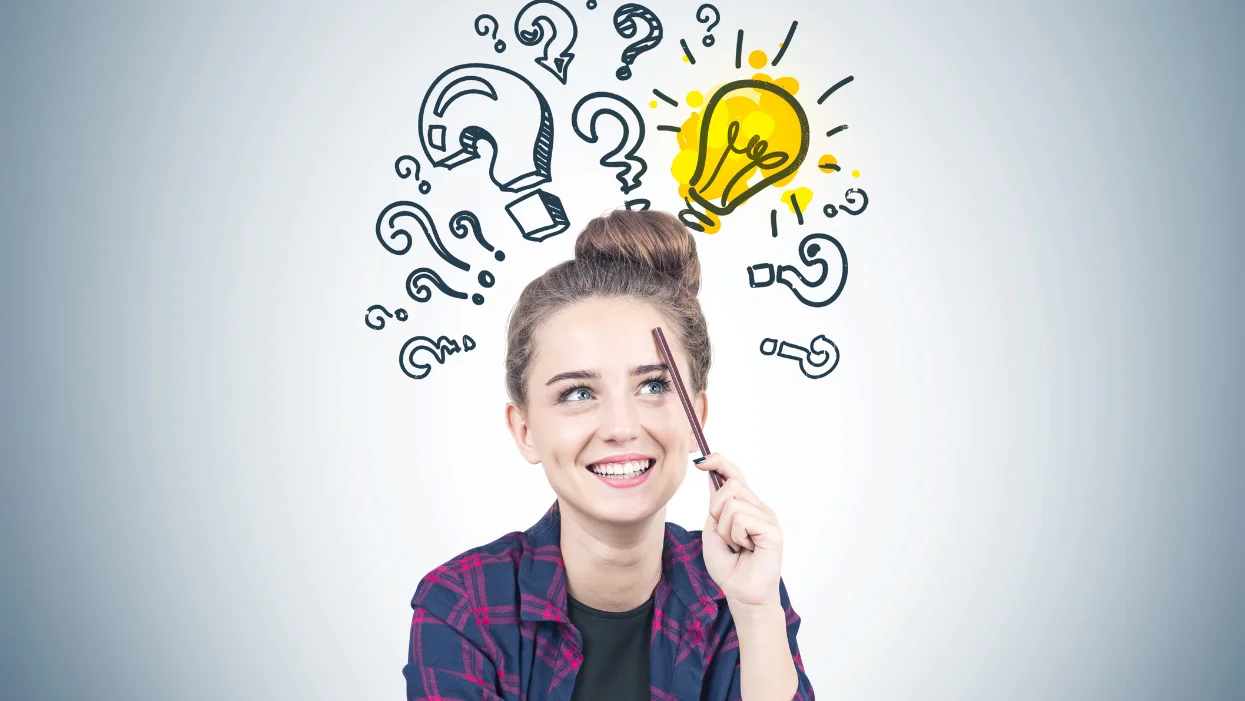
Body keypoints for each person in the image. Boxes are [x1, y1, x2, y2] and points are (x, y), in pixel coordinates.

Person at [402, 209, 815, 701]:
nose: (621, 428)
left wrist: (755, 611)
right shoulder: (462, 606)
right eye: (578, 393)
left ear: (695, 416)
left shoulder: (740, 591)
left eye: (655, 385)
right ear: (525, 431)